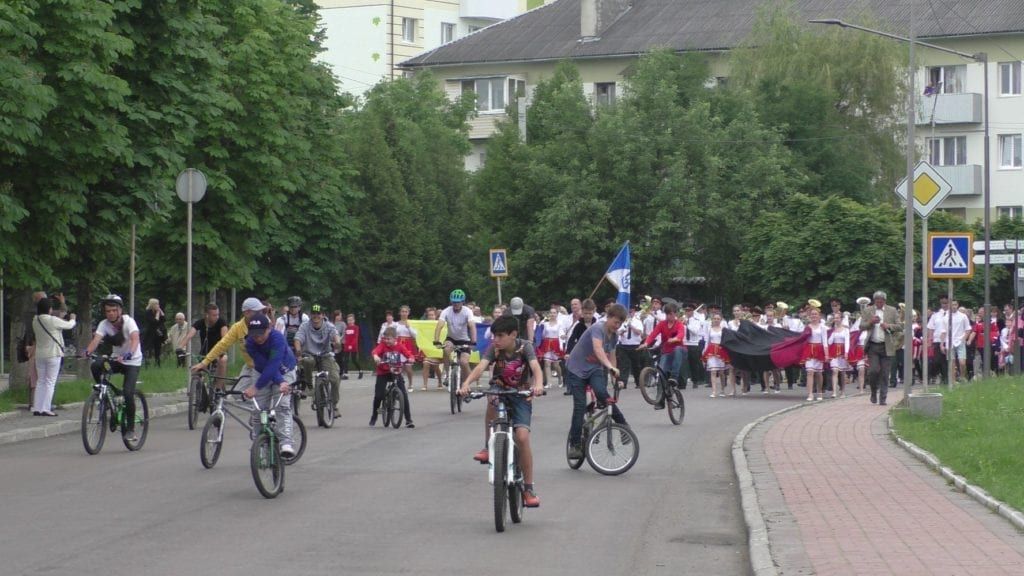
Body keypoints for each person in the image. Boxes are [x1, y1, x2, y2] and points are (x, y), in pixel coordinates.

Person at [459, 315, 544, 507]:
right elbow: (481, 367)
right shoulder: (494, 349)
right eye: (494, 335)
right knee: (491, 399)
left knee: (522, 437)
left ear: (513, 334)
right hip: (499, 388)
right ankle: (488, 447)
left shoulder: (525, 347)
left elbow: (535, 368)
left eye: (500, 335)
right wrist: (465, 383)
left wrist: (537, 385)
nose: (495, 340)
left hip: (521, 392)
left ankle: (529, 488)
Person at [565, 303, 629, 460]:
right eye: (615, 322)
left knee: (602, 393)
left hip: (594, 369)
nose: (617, 325)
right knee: (580, 406)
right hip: (576, 369)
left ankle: (623, 426)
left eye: (620, 323)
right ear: (608, 318)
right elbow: (599, 349)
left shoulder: (614, 336)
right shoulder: (597, 328)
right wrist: (608, 366)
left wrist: (616, 375)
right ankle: (575, 445)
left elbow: (612, 356)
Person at [83, 295, 143, 441]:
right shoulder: (104, 324)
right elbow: (96, 340)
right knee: (96, 365)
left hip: (132, 361)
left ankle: (130, 429)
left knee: (128, 393)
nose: (110, 313)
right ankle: (104, 395)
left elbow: (135, 339)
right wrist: (87, 352)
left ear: (120, 310)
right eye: (108, 311)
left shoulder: (129, 322)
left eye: (114, 310)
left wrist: (129, 353)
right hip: (116, 359)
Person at [244, 314, 297, 457]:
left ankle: (286, 442)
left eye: (261, 334)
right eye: (254, 335)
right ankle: (260, 443)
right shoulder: (249, 343)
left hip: (285, 369)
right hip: (262, 371)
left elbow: (274, 364)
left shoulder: (277, 339)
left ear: (269, 328)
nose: (258, 338)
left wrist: (281, 382)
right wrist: (258, 387)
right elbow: (263, 365)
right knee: (258, 410)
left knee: (282, 406)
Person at [190, 297, 268, 390]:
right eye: (258, 312)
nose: (261, 314)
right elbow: (222, 344)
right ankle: (218, 391)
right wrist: (204, 362)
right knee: (238, 394)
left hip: (266, 364)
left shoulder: (264, 323)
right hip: (250, 365)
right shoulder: (238, 327)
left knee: (257, 393)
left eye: (261, 311)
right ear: (247, 313)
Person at [294, 303, 342, 415]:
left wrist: (337, 343)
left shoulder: (329, 326)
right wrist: (298, 350)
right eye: (314, 314)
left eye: (318, 314)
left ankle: (334, 405)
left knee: (335, 378)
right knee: (306, 361)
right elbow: (298, 339)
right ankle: (310, 386)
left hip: (325, 355)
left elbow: (335, 336)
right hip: (310, 354)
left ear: (323, 315)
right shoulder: (305, 326)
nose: (316, 316)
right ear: (310, 315)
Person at [31, 297, 76, 416]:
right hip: (53, 354)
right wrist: (73, 319)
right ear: (49, 309)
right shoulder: (52, 320)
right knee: (50, 382)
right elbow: (69, 325)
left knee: (40, 381)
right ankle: (46, 408)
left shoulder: (35, 320)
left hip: (39, 355)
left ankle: (37, 407)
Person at [858, 290, 903, 405]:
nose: (879, 303)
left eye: (881, 301)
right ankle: (873, 392)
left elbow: (900, 326)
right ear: (874, 301)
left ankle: (883, 398)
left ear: (884, 301)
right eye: (877, 301)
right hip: (873, 346)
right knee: (873, 371)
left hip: (886, 346)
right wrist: (870, 322)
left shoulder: (892, 311)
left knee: (884, 373)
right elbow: (861, 326)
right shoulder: (868, 310)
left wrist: (889, 326)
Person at [638, 301, 686, 404]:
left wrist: (675, 339)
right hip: (667, 352)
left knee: (677, 349)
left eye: (671, 314)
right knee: (661, 372)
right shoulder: (662, 324)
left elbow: (681, 334)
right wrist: (646, 343)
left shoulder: (679, 324)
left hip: (679, 352)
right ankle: (660, 400)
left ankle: (674, 377)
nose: (669, 316)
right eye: (667, 314)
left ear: (676, 314)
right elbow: (653, 334)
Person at [370, 327, 415, 428]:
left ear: (395, 338)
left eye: (389, 339)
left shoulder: (399, 346)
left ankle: (408, 420)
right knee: (378, 396)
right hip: (383, 372)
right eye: (385, 338)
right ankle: (374, 415)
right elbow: (375, 352)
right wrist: (376, 357)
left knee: (403, 394)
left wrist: (411, 358)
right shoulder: (383, 345)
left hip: (396, 371)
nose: (386, 341)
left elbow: (408, 354)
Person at [433, 289, 477, 389]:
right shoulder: (446, 311)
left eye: (458, 302)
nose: (456, 304)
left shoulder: (467, 311)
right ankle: (447, 373)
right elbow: (439, 325)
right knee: (446, 349)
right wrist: (436, 340)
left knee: (464, 362)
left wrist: (473, 341)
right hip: (451, 338)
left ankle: (467, 384)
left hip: (465, 339)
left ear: (463, 302)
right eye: (454, 302)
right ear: (451, 302)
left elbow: (472, 326)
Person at [186, 303, 229, 381]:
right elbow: (189, 335)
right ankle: (199, 387)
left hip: (219, 352)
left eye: (217, 314)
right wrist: (180, 347)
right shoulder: (200, 323)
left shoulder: (221, 322)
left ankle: (219, 389)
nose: (217, 317)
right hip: (205, 353)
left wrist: (221, 352)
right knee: (198, 372)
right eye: (214, 315)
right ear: (207, 315)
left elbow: (225, 339)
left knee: (223, 361)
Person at [800, 306, 829, 401]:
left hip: (819, 349)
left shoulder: (823, 327)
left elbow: (825, 341)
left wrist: (827, 354)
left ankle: (820, 391)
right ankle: (810, 394)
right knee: (809, 372)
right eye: (812, 314)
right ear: (810, 316)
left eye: (815, 314)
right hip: (809, 349)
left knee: (819, 373)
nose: (814, 316)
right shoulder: (807, 327)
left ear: (819, 316)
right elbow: (804, 340)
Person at [702, 312, 734, 397]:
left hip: (721, 350)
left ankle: (722, 390)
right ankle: (714, 391)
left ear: (721, 320)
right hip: (711, 350)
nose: (716, 320)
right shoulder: (709, 329)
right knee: (713, 371)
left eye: (718, 319)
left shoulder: (723, 329)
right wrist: (704, 351)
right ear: (712, 320)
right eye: (715, 319)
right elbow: (707, 341)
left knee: (721, 372)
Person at [616, 304, 646, 390]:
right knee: (623, 365)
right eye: (628, 312)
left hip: (634, 345)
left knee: (636, 365)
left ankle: (638, 382)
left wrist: (631, 326)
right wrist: (622, 331)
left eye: (631, 311)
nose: (630, 313)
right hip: (624, 345)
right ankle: (623, 383)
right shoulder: (622, 321)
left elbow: (639, 332)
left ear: (634, 312)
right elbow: (617, 332)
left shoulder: (637, 321)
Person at [827, 313, 851, 398]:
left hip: (842, 351)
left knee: (842, 372)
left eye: (837, 318)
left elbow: (847, 342)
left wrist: (846, 353)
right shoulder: (833, 330)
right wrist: (831, 332)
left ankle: (843, 391)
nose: (836, 319)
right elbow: (829, 342)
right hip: (834, 351)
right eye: (835, 318)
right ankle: (834, 392)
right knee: (834, 370)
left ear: (841, 319)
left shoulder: (845, 330)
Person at [142, 298, 166, 368]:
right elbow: (154, 321)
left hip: (157, 333)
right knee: (148, 348)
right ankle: (146, 363)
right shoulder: (148, 312)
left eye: (158, 304)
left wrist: (160, 312)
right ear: (153, 305)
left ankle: (158, 364)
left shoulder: (157, 312)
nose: (158, 305)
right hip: (150, 333)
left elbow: (164, 319)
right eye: (156, 304)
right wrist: (158, 314)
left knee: (158, 348)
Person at [341, 313, 362, 379]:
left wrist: (351, 345)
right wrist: (344, 342)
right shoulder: (346, 328)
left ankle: (360, 371)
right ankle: (346, 375)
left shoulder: (356, 328)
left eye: (351, 320)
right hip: (346, 346)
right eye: (348, 320)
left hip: (353, 347)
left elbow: (355, 337)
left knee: (354, 360)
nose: (350, 321)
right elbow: (346, 337)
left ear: (354, 320)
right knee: (345, 360)